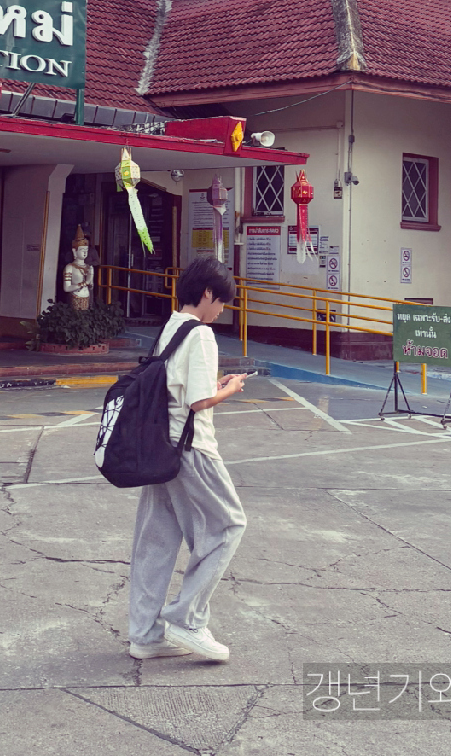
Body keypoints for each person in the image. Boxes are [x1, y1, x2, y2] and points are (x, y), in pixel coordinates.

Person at [127, 257, 248, 663]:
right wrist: (229, 389)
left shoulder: (171, 326)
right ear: (208, 294)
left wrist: (212, 385)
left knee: (156, 540)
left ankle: (145, 635)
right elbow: (198, 402)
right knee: (228, 526)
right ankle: (187, 619)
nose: (222, 310)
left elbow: (178, 387)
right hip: (193, 449)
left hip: (161, 446)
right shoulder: (201, 335)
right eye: (222, 302)